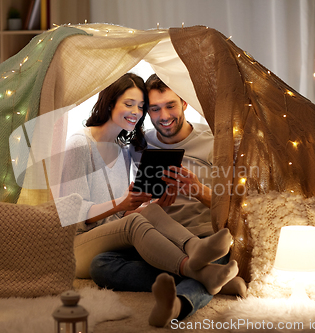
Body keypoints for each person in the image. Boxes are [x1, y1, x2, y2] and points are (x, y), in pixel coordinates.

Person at [59, 73, 238, 299]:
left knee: (146, 213)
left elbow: (239, 204)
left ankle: (196, 270)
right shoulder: (89, 144)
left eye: (140, 106)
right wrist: (123, 206)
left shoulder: (123, 149)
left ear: (184, 104)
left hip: (191, 236)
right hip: (81, 242)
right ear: (110, 103)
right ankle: (201, 272)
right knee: (108, 257)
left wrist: (147, 204)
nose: (136, 112)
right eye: (130, 104)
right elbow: (71, 215)